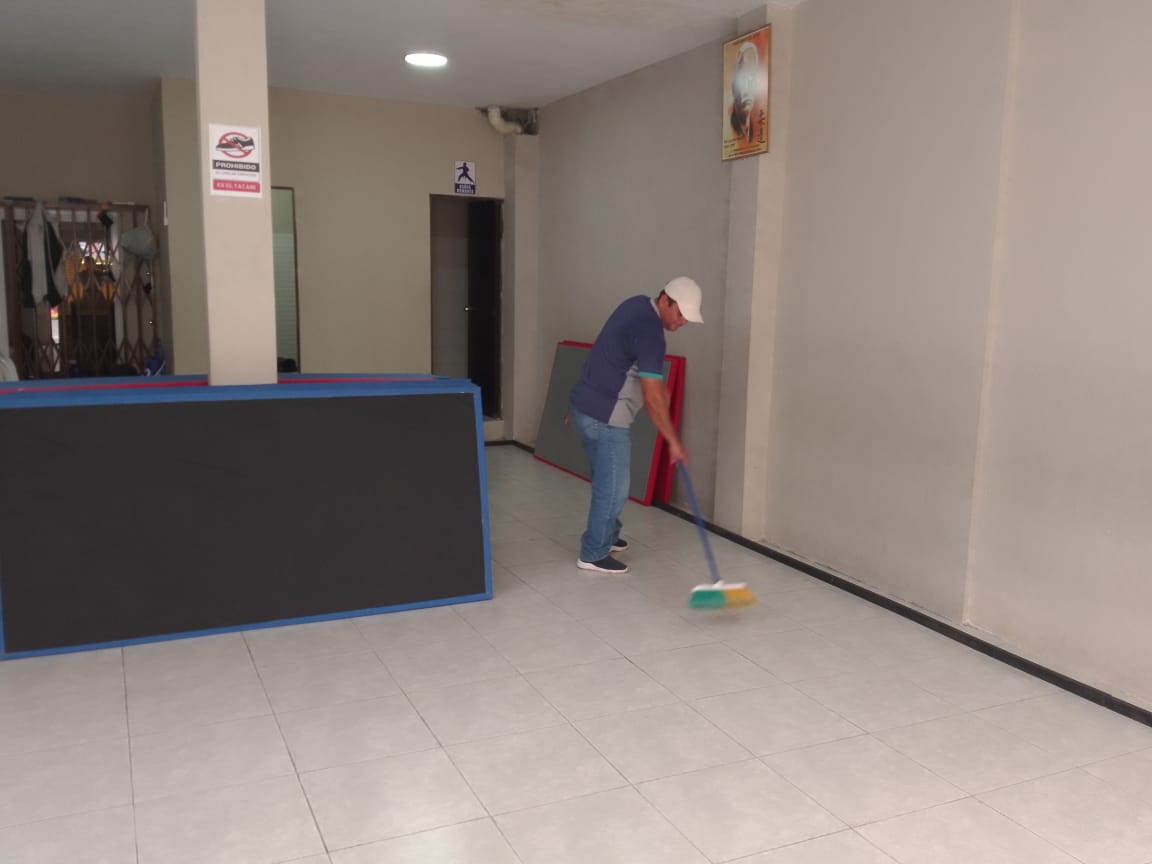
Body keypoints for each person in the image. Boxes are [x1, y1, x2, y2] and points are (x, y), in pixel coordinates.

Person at [569, 277, 704, 574]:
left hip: (584, 408)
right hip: (606, 419)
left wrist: (661, 392)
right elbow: (653, 398)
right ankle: (593, 553)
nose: (683, 322)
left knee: (606, 480)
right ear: (665, 300)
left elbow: (649, 379)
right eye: (680, 314)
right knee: (614, 489)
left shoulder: (637, 305)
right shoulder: (651, 333)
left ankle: (608, 535)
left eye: (687, 318)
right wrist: (673, 442)